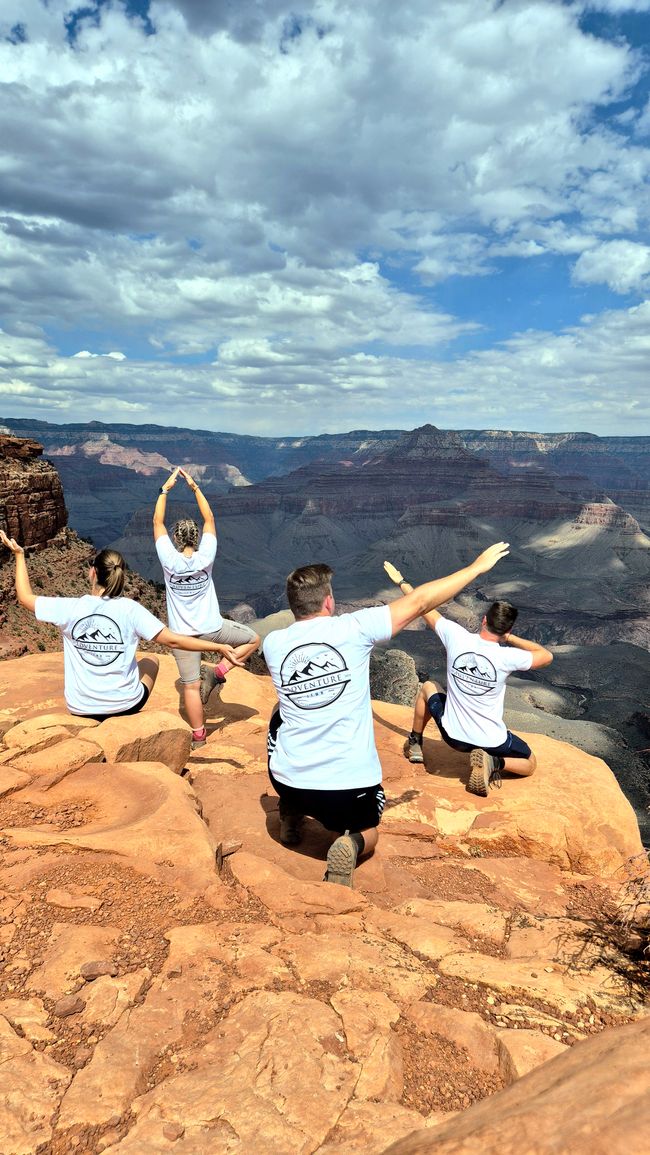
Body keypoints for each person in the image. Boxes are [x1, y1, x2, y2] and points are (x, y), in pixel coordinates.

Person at [263, 542, 510, 887]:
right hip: (345, 792)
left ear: (292, 605)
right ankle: (350, 843)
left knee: (278, 715)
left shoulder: (273, 643)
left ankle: (290, 811)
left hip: (288, 780)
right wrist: (476, 568)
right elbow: (422, 601)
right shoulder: (353, 628)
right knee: (370, 829)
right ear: (329, 601)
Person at [0, 531, 245, 723]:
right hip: (126, 704)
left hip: (81, 707)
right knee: (151, 661)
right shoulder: (131, 609)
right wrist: (217, 647)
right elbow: (173, 640)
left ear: (92, 573)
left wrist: (19, 555)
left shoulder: (69, 608)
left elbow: (24, 597)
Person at [384, 561, 553, 795]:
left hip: (454, 736)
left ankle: (415, 743)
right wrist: (510, 639)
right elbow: (546, 656)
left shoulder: (456, 636)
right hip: (491, 740)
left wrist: (402, 583)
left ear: (484, 620)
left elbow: (422, 607)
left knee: (429, 686)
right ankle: (494, 762)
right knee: (530, 763)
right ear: (506, 630)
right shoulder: (508, 657)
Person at [153, 467, 260, 748]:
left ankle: (198, 737)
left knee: (189, 686)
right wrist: (195, 488)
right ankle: (220, 672)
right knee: (253, 639)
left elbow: (156, 522)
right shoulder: (206, 556)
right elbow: (210, 518)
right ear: (196, 538)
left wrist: (164, 490)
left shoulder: (168, 560)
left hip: (182, 638)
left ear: (176, 539)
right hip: (213, 630)